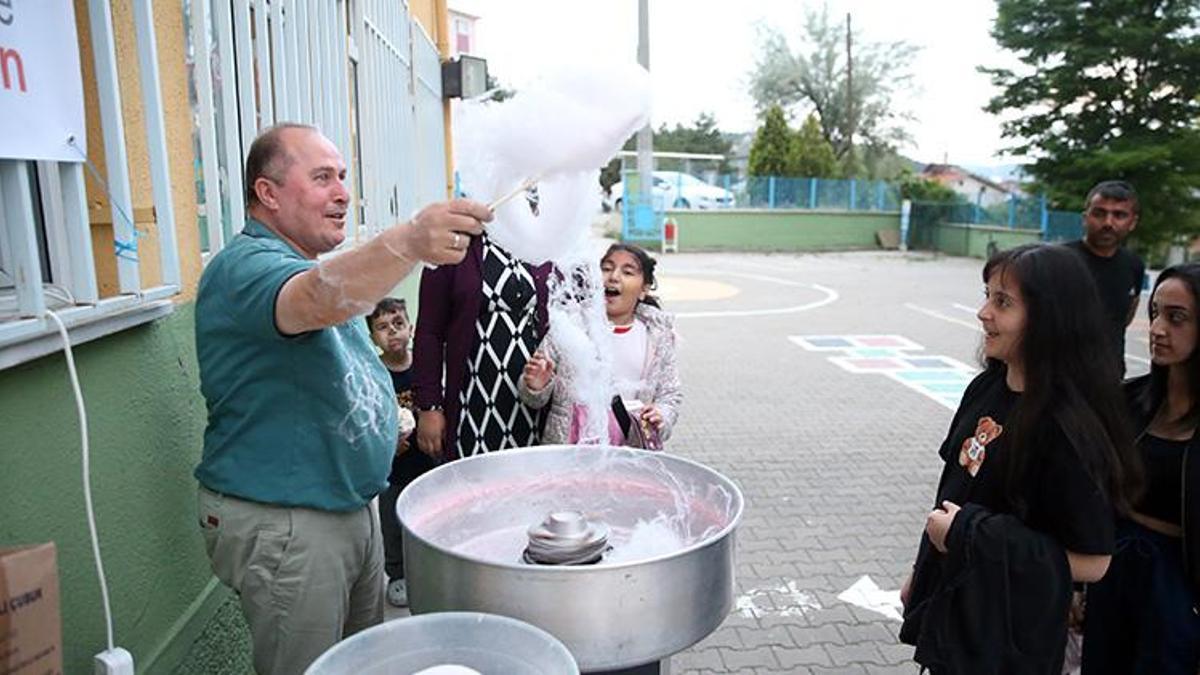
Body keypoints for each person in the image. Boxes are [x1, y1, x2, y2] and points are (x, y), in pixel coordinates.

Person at [194, 123, 490, 674]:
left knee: (361, 663)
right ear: (268, 193)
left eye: (344, 177)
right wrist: (407, 242)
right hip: (289, 522)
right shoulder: (246, 269)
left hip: (347, 507)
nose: (342, 192)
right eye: (322, 177)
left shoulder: (309, 262)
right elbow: (315, 300)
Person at [898, 243, 1139, 674]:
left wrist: (970, 535)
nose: (983, 313)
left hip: (1009, 634)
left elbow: (1095, 561)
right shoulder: (984, 390)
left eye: (1002, 302)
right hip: (956, 609)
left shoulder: (1067, 428)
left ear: (1049, 318)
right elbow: (951, 491)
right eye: (987, 295)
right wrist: (923, 572)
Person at [1082, 263, 1200, 674]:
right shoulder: (1129, 401)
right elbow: (1094, 491)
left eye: (1177, 317)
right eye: (1155, 313)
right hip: (1114, 563)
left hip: (1178, 581)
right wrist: (1080, 582)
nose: (1158, 328)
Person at [519, 243, 682, 447]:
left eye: (627, 272)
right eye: (606, 268)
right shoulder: (571, 325)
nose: (613, 276)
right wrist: (535, 385)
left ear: (644, 290)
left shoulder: (658, 337)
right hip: (570, 449)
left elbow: (670, 395)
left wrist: (661, 416)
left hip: (629, 451)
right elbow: (532, 398)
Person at [412, 231, 552, 461]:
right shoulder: (452, 244)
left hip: (534, 398)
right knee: (476, 483)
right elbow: (429, 333)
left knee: (532, 481)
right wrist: (429, 406)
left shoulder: (539, 242)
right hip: (475, 399)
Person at [365, 298, 432, 609]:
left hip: (427, 461)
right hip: (393, 468)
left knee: (428, 514)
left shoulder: (424, 367)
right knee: (392, 522)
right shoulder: (375, 374)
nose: (392, 332)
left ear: (411, 328)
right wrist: (386, 446)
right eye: (382, 327)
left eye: (398, 324)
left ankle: (429, 566)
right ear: (372, 337)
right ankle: (398, 573)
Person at [1064, 180, 1145, 374]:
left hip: (1110, 376)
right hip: (1060, 377)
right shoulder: (1059, 260)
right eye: (1099, 213)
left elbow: (1125, 316)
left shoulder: (1134, 265)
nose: (1108, 223)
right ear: (1085, 217)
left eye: (1119, 215)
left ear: (1132, 222)